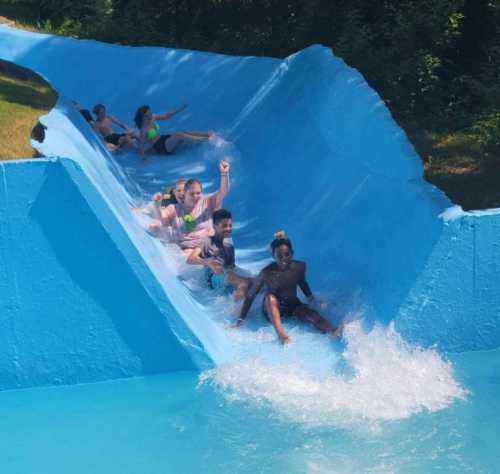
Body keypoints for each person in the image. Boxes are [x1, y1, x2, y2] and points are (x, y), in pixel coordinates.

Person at [234, 231, 342, 344]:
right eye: (279, 256)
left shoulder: (299, 267)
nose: (284, 259)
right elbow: (251, 295)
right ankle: (282, 335)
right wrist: (241, 319)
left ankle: (332, 330)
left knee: (311, 314)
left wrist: (311, 299)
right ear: (273, 256)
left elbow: (302, 283)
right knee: (270, 297)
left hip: (291, 305)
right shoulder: (266, 273)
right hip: (271, 309)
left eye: (287, 254)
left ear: (292, 253)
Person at [161, 160, 230, 254]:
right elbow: (162, 217)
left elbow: (223, 192)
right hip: (186, 249)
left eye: (198, 193)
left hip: (207, 245)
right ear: (184, 194)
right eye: (192, 194)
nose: (195, 196)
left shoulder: (207, 203)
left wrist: (224, 174)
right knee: (189, 257)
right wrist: (157, 206)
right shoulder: (174, 208)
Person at [187, 209, 251, 300]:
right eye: (224, 226)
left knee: (251, 282)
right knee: (243, 283)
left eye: (230, 225)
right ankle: (236, 311)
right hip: (213, 278)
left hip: (226, 276)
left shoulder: (229, 247)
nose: (228, 228)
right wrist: (208, 262)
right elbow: (190, 259)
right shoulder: (207, 241)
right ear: (215, 226)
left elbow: (232, 267)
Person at [134, 104, 214, 158]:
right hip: (161, 147)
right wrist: (144, 159)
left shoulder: (152, 118)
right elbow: (141, 146)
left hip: (163, 138)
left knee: (184, 132)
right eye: (148, 114)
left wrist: (178, 110)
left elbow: (166, 116)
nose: (151, 114)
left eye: (150, 112)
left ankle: (207, 134)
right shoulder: (143, 130)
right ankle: (205, 140)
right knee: (179, 135)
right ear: (144, 117)